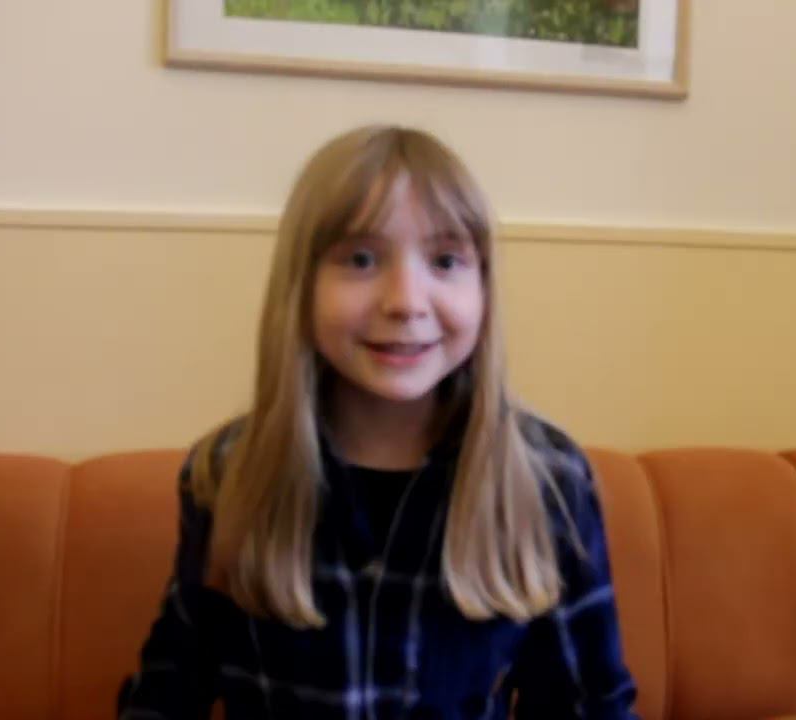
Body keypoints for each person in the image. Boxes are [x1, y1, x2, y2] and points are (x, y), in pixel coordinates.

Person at [118, 124, 637, 719]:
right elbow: (168, 691)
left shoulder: (547, 479)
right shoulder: (229, 472)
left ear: (483, 288)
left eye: (445, 261)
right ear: (301, 287)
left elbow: (591, 706)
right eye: (361, 259)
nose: (406, 301)